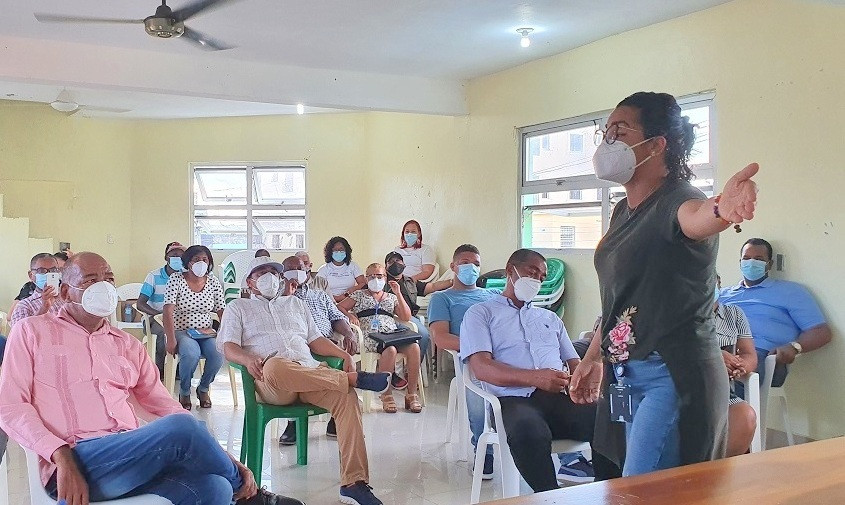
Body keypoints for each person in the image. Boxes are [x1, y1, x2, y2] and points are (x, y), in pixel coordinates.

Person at [0, 252, 299, 505]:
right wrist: (59, 454)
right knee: (182, 427)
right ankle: (255, 498)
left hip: (130, 456)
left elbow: (165, 406)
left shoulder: (125, 344)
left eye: (108, 278)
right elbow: (10, 405)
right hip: (74, 461)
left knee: (215, 488)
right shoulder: (32, 332)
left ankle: (237, 487)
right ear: (66, 293)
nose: (103, 286)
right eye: (91, 281)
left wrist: (224, 457)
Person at [569, 91, 759, 477]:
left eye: (619, 131)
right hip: (625, 372)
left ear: (656, 145)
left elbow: (698, 218)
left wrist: (723, 208)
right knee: (625, 482)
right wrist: (592, 359)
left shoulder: (681, 199)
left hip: (670, 375)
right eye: (605, 132)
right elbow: (619, 301)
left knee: (646, 488)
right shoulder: (623, 210)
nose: (608, 141)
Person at [219, 256, 390, 505]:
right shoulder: (239, 308)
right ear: (250, 282)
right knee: (275, 366)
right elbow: (228, 347)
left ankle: (354, 483)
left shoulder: (296, 305)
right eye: (262, 272)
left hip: (309, 374)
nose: (269, 277)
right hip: (273, 382)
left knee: (346, 397)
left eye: (273, 272)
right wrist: (246, 360)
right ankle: (351, 379)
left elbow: (315, 340)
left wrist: (343, 354)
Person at [462, 249, 597, 493]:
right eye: (531, 272)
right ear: (510, 270)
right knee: (528, 430)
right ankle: (549, 495)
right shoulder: (481, 314)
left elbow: (574, 362)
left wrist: (582, 381)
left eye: (542, 277)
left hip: (557, 397)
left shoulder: (550, 319)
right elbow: (481, 368)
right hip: (511, 400)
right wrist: (536, 378)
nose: (536, 281)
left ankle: (609, 491)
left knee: (608, 419)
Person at [427, 244, 500, 479]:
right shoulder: (442, 299)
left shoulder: (492, 296)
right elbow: (440, 337)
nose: (472, 268)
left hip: (504, 356)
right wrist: (479, 346)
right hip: (473, 357)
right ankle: (483, 447)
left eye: (476, 264)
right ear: (453, 267)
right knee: (480, 388)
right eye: (466, 263)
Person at [720, 238, 831, 391]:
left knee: (721, 375)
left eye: (758, 259)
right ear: (740, 262)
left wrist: (794, 347)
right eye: (746, 258)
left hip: (762, 356)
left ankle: (732, 412)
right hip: (720, 350)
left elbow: (821, 332)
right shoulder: (723, 294)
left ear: (769, 264)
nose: (751, 263)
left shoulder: (790, 292)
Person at [278, 254, 360, 444]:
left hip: (327, 341)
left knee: (340, 353)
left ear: (307, 270)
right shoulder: (278, 298)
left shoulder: (319, 294)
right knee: (293, 361)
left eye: (300, 268)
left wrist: (349, 333)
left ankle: (334, 419)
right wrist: (286, 294)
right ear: (282, 275)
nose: (296, 273)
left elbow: (337, 316)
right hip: (298, 345)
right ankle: (294, 423)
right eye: (290, 270)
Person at [339, 263, 423, 413]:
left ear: (385, 278)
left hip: (391, 334)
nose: (376, 279)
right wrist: (350, 315)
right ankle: (386, 395)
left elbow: (406, 316)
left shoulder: (391, 297)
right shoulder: (358, 294)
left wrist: (398, 293)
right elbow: (339, 307)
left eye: (380, 276)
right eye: (372, 276)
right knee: (390, 350)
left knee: (414, 347)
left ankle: (411, 394)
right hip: (370, 336)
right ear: (366, 278)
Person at [163, 245, 226, 410]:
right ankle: (184, 391)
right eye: (196, 259)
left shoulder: (212, 281)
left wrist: (227, 336)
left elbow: (221, 309)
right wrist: (170, 338)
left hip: (205, 331)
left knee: (218, 353)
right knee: (191, 354)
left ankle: (203, 389)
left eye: (204, 259)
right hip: (182, 330)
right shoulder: (176, 279)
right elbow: (167, 309)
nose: (201, 263)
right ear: (188, 263)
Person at [383, 251, 451, 389]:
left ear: (404, 264)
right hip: (387, 318)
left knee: (423, 334)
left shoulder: (410, 282)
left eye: (398, 261)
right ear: (385, 266)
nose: (395, 264)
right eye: (391, 262)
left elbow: (431, 287)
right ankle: (392, 374)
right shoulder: (380, 280)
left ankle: (411, 372)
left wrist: (451, 282)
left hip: (409, 319)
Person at [712, 276, 758, 457]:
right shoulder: (682, 314)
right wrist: (715, 359)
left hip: (723, 391)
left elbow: (749, 355)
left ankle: (718, 471)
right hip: (689, 389)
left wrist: (739, 366)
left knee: (745, 417)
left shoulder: (735, 314)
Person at [137, 241, 186, 379]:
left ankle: (180, 368)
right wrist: (160, 315)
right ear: (166, 257)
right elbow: (140, 303)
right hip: (156, 319)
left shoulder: (187, 276)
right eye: (174, 255)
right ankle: (161, 370)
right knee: (163, 333)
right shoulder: (153, 276)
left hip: (181, 319)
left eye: (181, 256)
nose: (177, 258)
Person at [10, 253, 65, 327]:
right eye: (41, 271)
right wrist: (44, 308)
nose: (48, 274)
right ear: (31, 275)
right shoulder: (24, 306)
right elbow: (20, 334)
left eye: (53, 270)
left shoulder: (66, 298)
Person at [316, 236, 366, 303]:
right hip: (329, 302)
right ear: (330, 252)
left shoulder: (353, 266)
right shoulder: (324, 269)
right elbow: (318, 292)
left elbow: (363, 284)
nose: (338, 252)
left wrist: (354, 289)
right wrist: (338, 298)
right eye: (335, 250)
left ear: (346, 251)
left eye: (341, 249)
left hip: (350, 301)